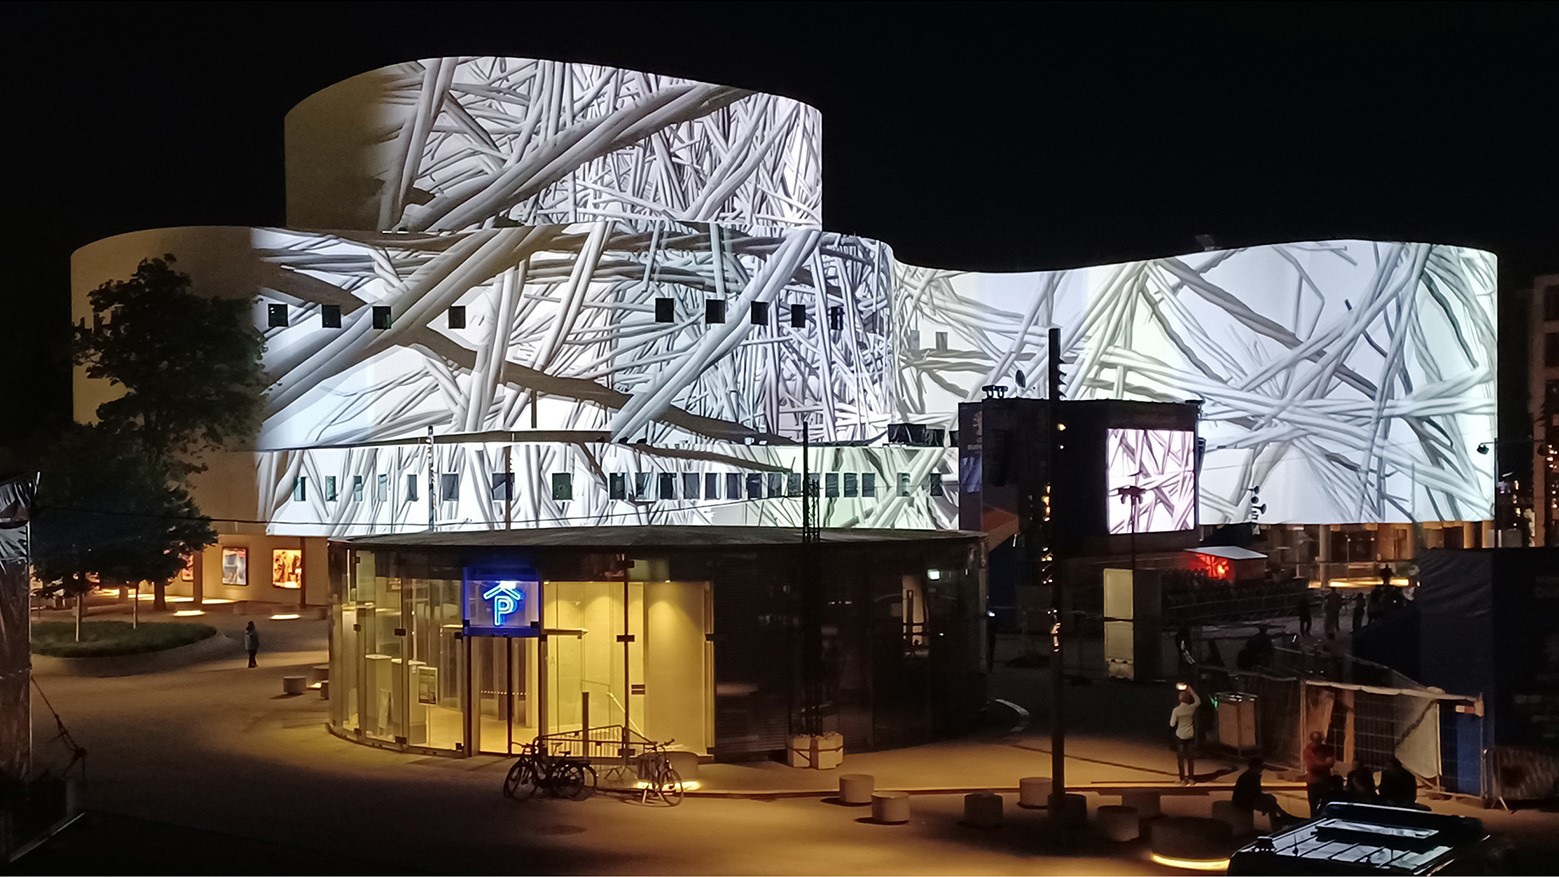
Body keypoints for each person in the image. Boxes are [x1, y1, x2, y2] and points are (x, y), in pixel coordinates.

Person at [1232, 757, 1293, 826]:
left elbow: (1254, 793)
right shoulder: (1251, 777)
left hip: (1245, 800)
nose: (1262, 769)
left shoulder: (1250, 775)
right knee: (1271, 803)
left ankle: (1281, 818)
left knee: (1271, 802)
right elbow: (1254, 794)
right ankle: (1281, 819)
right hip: (1244, 802)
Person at [1169, 685, 1201, 784]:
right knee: (1190, 759)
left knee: (1181, 759)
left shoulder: (1176, 710)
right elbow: (1198, 701)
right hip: (1190, 735)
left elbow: (1172, 724)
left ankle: (1182, 779)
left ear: (1180, 699)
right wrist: (1191, 690)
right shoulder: (1191, 708)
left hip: (1180, 735)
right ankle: (1191, 778)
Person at [1302, 731, 1338, 816]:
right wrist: (1324, 764)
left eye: (1318, 740)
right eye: (1315, 740)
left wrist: (1319, 764)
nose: (1317, 742)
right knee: (1313, 807)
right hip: (1313, 782)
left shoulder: (1328, 749)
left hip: (1325, 781)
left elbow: (1331, 763)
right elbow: (1312, 767)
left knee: (1326, 804)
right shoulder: (1308, 750)